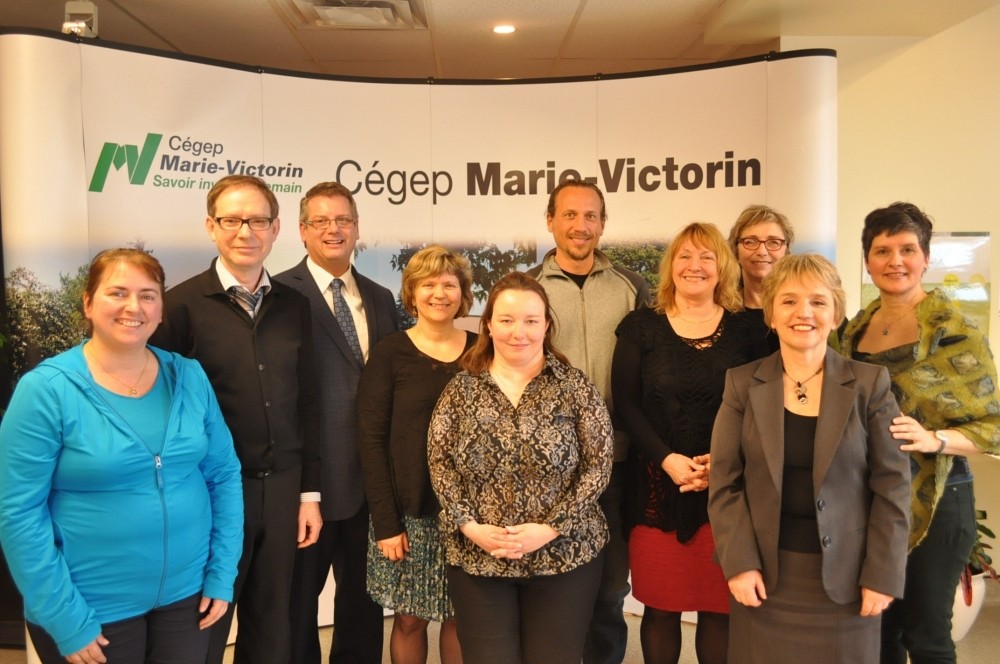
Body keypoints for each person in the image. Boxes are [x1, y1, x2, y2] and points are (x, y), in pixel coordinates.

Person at [0, 248, 243, 664]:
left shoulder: (188, 376)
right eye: (118, 292)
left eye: (148, 295)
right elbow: (19, 513)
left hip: (188, 600)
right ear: (88, 303)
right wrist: (65, 619)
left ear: (162, 309)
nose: (135, 307)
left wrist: (222, 575)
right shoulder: (46, 390)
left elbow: (224, 475)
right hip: (91, 608)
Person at [149, 174, 323, 664]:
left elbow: (307, 401)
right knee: (204, 624)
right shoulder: (179, 307)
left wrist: (309, 493)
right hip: (212, 493)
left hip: (285, 489)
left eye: (258, 220)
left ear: (275, 229)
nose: (245, 231)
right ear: (211, 226)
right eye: (232, 219)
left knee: (273, 629)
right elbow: (161, 410)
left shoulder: (295, 305)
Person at [707, 253, 911, 663]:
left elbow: (892, 487)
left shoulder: (870, 385)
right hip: (764, 580)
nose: (804, 313)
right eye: (789, 301)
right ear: (771, 314)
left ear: (835, 314)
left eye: (818, 301)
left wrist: (882, 574)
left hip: (848, 582)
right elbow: (725, 483)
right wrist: (739, 563)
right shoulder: (742, 384)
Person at [838, 202, 1000, 664]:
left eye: (908, 249)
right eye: (882, 250)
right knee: (876, 631)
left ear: (926, 258)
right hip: (868, 497)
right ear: (867, 260)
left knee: (926, 636)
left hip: (938, 496)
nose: (895, 261)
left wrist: (937, 439)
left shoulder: (955, 330)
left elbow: (993, 425)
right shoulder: (853, 331)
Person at [427, 271, 613, 664]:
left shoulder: (574, 387)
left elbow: (598, 465)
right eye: (507, 320)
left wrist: (550, 527)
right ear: (489, 325)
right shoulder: (461, 389)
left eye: (531, 321)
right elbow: (440, 463)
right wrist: (469, 526)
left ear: (546, 325)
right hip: (479, 556)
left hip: (565, 554)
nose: (519, 332)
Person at [611, 222, 769, 664]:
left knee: (719, 612)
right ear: (670, 267)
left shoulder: (750, 330)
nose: (694, 266)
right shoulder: (640, 327)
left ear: (723, 267)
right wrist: (669, 461)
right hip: (657, 490)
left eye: (706, 257)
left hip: (728, 491)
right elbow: (625, 405)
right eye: (684, 256)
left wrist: (719, 464)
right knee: (659, 611)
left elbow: (762, 407)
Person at [274, 181, 399, 664]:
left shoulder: (382, 297)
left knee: (363, 609)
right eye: (321, 221)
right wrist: (304, 486)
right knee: (298, 607)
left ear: (357, 229)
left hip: (371, 485)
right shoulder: (280, 294)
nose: (334, 229)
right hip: (308, 487)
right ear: (303, 231)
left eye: (343, 220)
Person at [526, 180, 649, 664]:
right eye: (570, 215)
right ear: (551, 220)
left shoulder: (631, 286)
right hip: (547, 467)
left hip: (616, 460)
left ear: (603, 223)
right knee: (553, 586)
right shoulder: (527, 286)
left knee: (609, 587)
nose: (581, 226)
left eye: (591, 216)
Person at [357, 245, 475, 664]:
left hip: (472, 517)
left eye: (449, 283)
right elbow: (370, 440)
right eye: (428, 284)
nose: (439, 293)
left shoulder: (484, 353)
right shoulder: (389, 353)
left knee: (463, 618)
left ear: (464, 293)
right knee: (409, 620)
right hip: (407, 514)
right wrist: (386, 523)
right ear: (411, 293)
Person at [727, 204, 794, 352]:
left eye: (773, 242)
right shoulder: (719, 312)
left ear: (786, 251)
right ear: (736, 250)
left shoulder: (802, 312)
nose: (762, 251)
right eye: (750, 242)